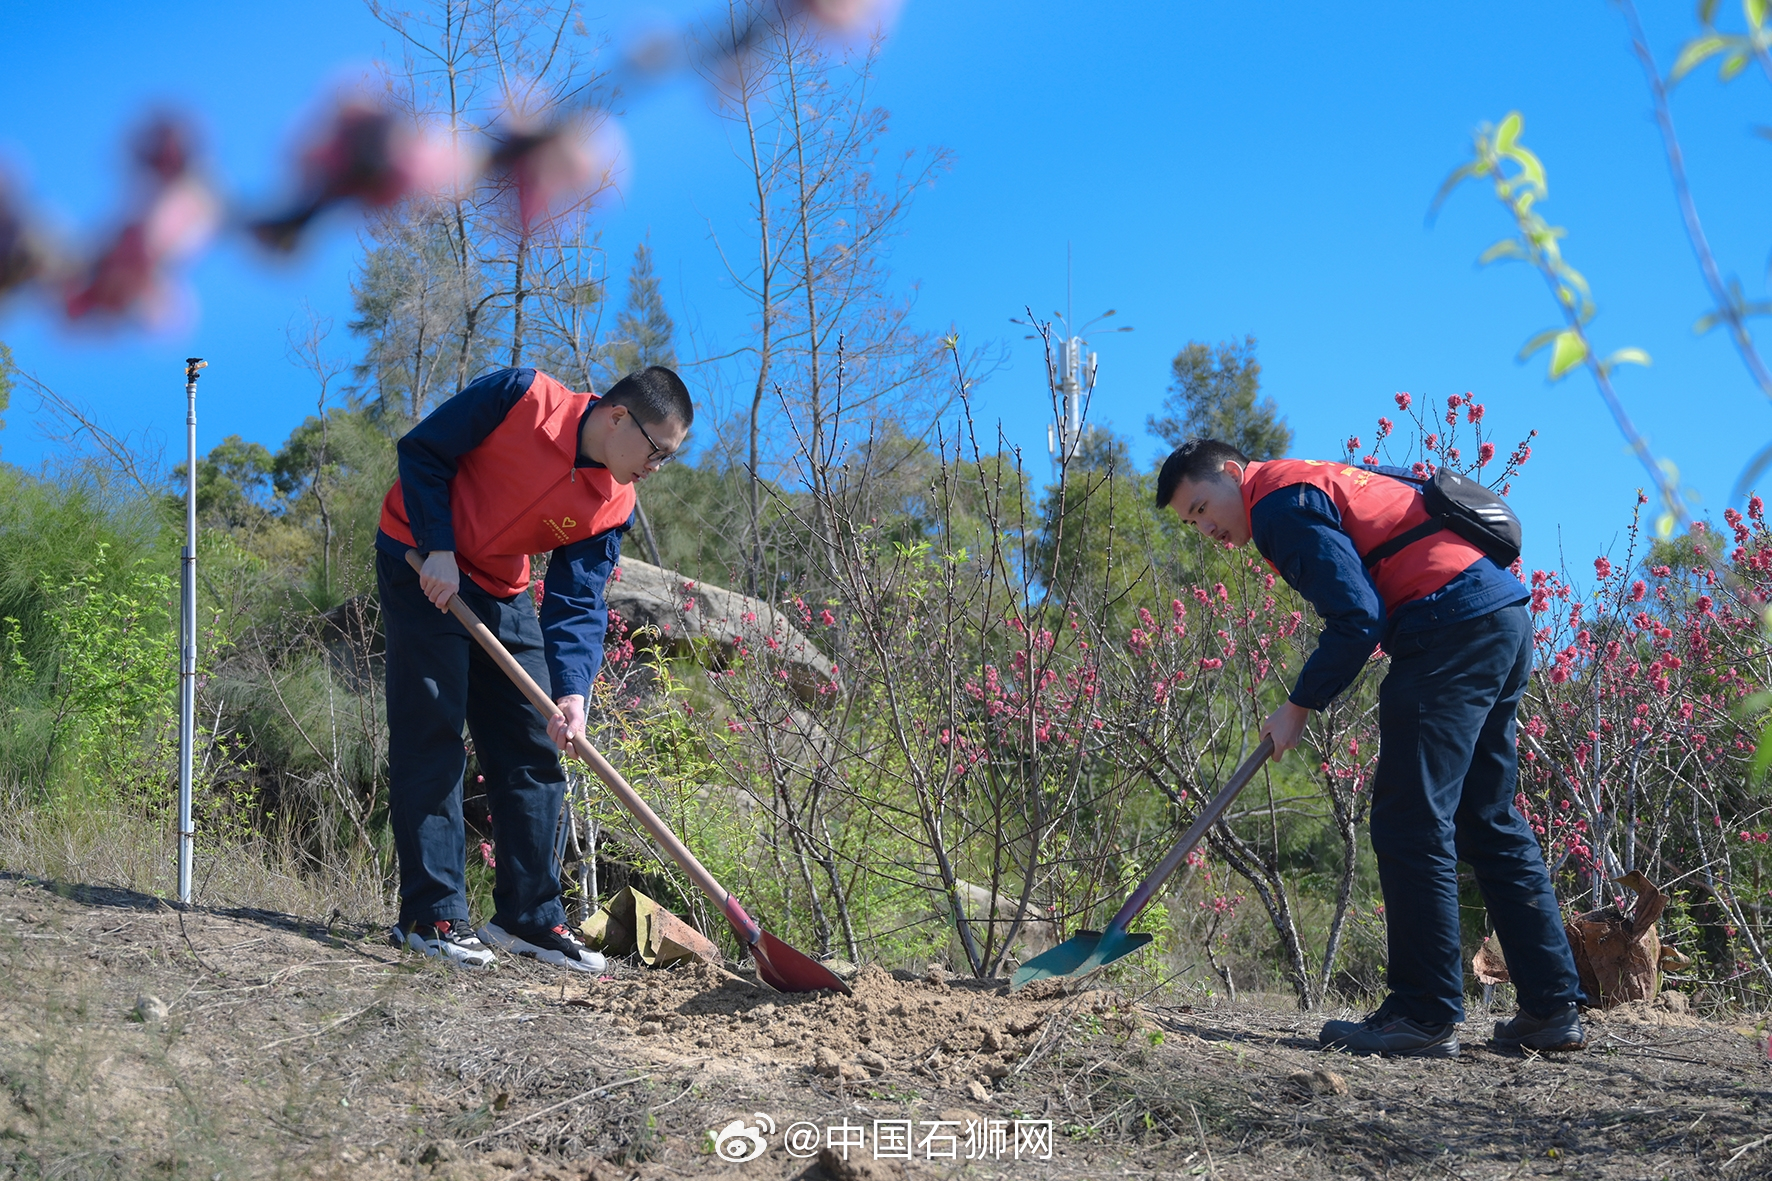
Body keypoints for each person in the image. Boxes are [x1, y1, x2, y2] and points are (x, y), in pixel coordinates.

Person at [1155, 440, 1585, 1056]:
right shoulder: (1313, 477)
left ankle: (1423, 1012)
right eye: (1190, 522)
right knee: (1487, 819)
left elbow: (1358, 615)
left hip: (1447, 627)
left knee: (1412, 820)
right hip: (1500, 618)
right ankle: (1551, 1010)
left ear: (1231, 474)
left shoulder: (1276, 502)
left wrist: (1298, 706)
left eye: (1201, 507)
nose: (1204, 528)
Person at [377, 364, 692, 971]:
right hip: (421, 558)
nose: (655, 469)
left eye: (667, 459)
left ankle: (529, 918)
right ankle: (432, 916)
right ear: (617, 416)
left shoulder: (613, 501)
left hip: (500, 586)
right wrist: (439, 548)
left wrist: (573, 693)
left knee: (533, 745)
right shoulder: (520, 397)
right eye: (656, 451)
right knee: (434, 730)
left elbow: (578, 599)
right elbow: (423, 451)